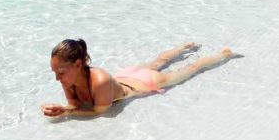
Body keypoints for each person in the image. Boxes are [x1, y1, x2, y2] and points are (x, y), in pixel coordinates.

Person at [42, 39, 236, 118]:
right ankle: (184, 47)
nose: (57, 78)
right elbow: (76, 105)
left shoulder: (99, 80)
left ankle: (224, 55)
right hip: (123, 76)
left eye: (60, 72)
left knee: (192, 68)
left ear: (77, 64)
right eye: (55, 72)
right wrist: (64, 108)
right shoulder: (69, 78)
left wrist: (66, 112)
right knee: (158, 60)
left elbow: (99, 111)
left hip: (145, 83)